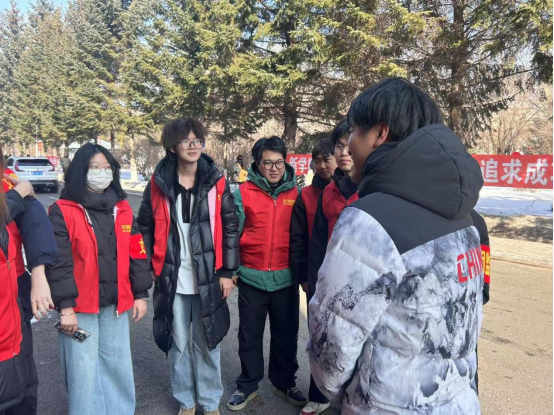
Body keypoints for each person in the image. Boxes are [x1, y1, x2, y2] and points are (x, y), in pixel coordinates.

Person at [309, 78, 485, 414]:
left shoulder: (369, 219)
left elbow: (332, 345)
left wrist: (347, 396)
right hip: (458, 401)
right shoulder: (466, 217)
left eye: (354, 131)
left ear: (380, 133)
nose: (347, 146)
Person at [137, 119, 240, 415]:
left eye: (198, 141)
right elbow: (144, 227)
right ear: (173, 146)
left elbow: (230, 227)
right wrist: (150, 265)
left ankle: (210, 401)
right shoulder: (158, 184)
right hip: (172, 277)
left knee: (208, 341)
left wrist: (227, 272)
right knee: (178, 343)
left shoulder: (217, 182)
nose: (193, 146)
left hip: (208, 276)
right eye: (186, 141)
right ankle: (186, 400)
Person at [46, 144, 152, 415]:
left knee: (117, 367)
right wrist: (65, 308)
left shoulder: (122, 207)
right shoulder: (62, 210)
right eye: (95, 167)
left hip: (115, 305)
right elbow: (59, 264)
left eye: (107, 167)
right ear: (80, 171)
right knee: (83, 371)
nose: (102, 173)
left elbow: (137, 250)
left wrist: (140, 294)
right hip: (79, 308)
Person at [228, 137, 307, 412]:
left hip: (285, 278)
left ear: (285, 162)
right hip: (252, 276)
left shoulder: (296, 193)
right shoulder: (243, 193)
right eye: (267, 163)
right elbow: (232, 233)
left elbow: (302, 236)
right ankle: (247, 385)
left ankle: (284, 382)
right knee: (249, 335)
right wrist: (232, 269)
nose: (274, 168)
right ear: (257, 164)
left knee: (286, 334)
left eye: (279, 162)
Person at [0, 145, 55, 415]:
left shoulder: (8, 182)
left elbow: (35, 220)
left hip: (14, 295)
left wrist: (39, 273)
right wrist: (18, 194)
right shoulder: (14, 190)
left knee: (23, 381)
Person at [289, 139, 337, 415]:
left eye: (326, 159)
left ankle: (347, 394)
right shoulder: (306, 195)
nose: (321, 166)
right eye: (316, 161)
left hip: (346, 277)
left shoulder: (355, 190)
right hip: (315, 278)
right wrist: (303, 277)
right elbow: (298, 239)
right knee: (318, 337)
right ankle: (317, 395)